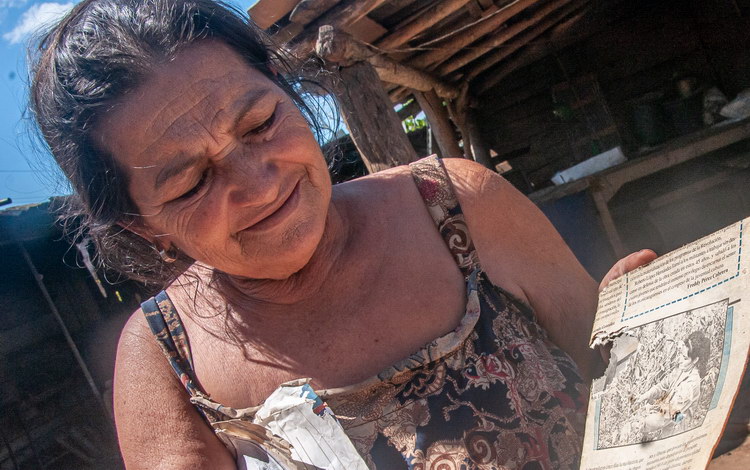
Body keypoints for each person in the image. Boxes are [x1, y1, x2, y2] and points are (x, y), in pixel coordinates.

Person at [28, 0, 656, 468]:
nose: (258, 182)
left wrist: (653, 334)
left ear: (288, 90)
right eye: (191, 182)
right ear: (145, 228)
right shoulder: (167, 358)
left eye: (260, 123)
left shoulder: (459, 204)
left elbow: (630, 391)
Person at [639, 331, 709, 438]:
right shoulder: (682, 369)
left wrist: (640, 424)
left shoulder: (691, 384)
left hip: (676, 434)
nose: (680, 360)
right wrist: (645, 395)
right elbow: (662, 386)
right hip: (666, 423)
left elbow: (666, 416)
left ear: (695, 360)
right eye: (680, 355)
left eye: (685, 358)